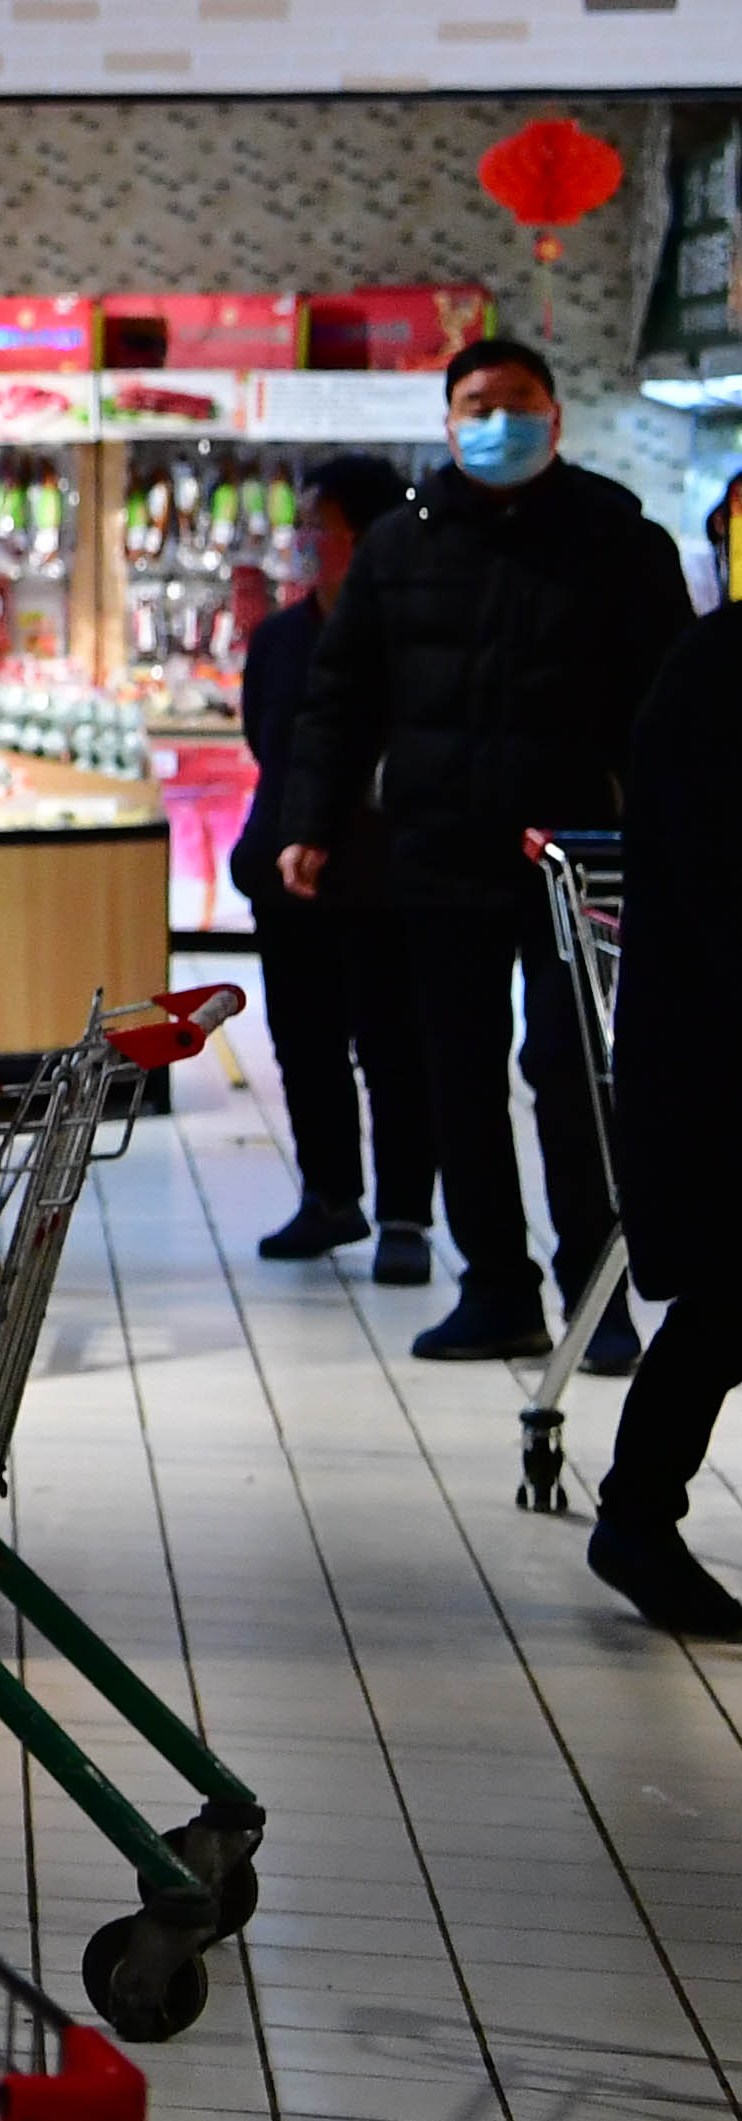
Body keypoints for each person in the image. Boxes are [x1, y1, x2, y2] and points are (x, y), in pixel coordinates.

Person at [277, 337, 694, 1361]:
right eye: (476, 403)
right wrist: (312, 820)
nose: (497, 419)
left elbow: (672, 707)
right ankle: (497, 1290)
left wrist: (680, 837)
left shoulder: (618, 539)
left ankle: (598, 1299)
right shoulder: (400, 545)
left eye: (516, 400)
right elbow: (342, 695)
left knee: (571, 1070)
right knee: (456, 1075)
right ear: (448, 421)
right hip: (437, 852)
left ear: (555, 416)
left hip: (576, 857)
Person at [234, 456, 436, 1279]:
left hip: (384, 883)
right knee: (304, 1044)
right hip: (286, 879)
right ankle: (329, 1196)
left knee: (394, 1049)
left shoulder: (411, 639)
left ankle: (405, 1216)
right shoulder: (280, 639)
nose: (305, 540)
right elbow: (264, 739)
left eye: (320, 525)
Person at [590, 573, 741, 1633]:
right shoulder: (717, 670)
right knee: (733, 1289)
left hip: (707, 1026)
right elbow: (707, 874)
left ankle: (639, 1514)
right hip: (713, 1039)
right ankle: (638, 1516)